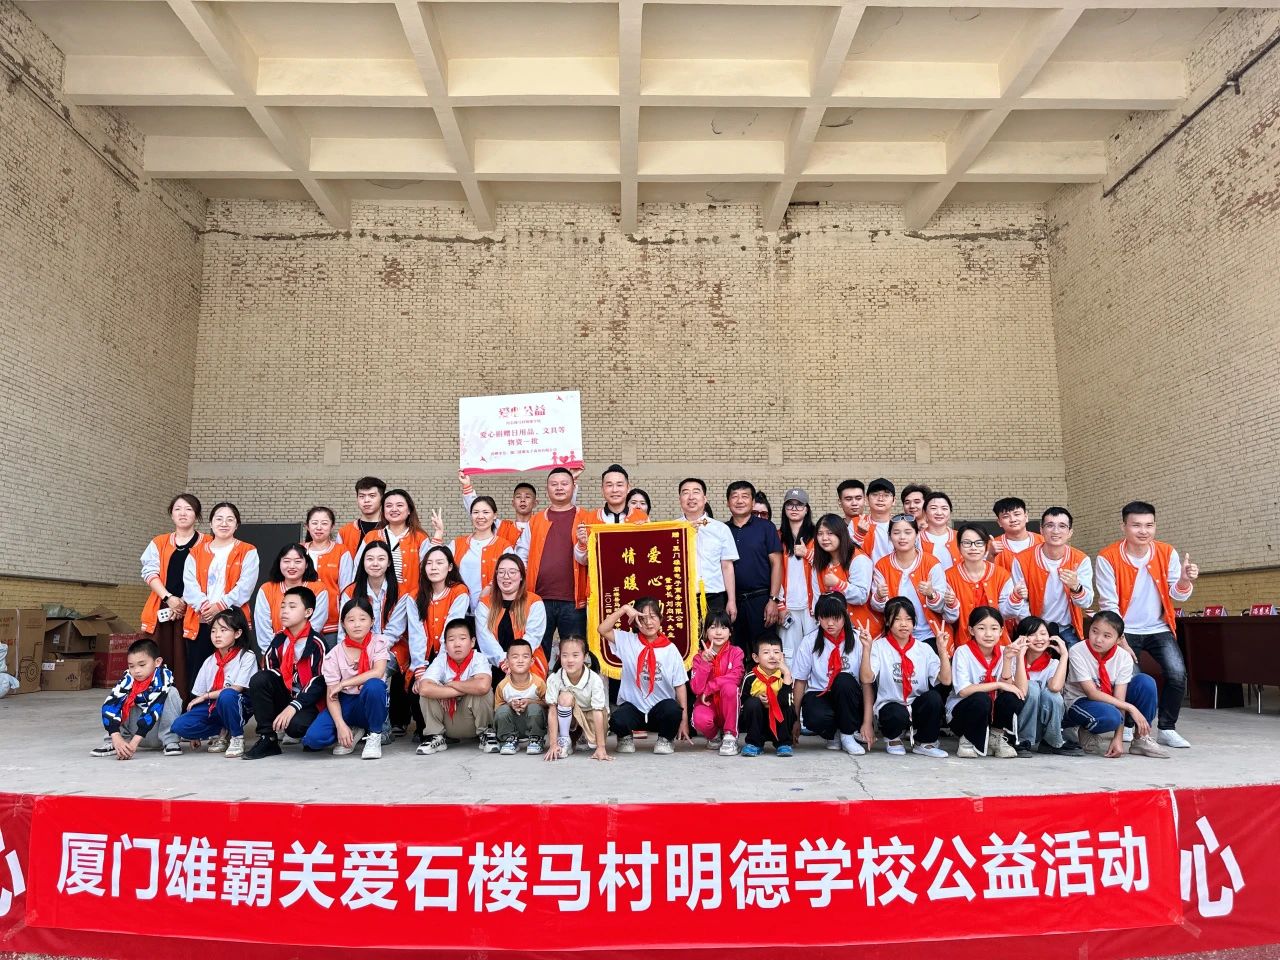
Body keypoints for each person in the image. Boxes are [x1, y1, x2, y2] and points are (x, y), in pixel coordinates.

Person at [1095, 500, 1197, 748]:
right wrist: (1120, 639)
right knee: (1132, 678)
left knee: (1177, 673)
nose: (1143, 531)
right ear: (1124, 527)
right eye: (1136, 525)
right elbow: (1109, 604)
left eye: (1149, 525)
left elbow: (1178, 594)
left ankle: (1167, 728)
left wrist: (1184, 580)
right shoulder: (1108, 557)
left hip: (1158, 628)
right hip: (1125, 629)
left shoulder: (1166, 552)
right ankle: (1129, 726)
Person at [1062, 610, 1170, 759]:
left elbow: (1120, 698)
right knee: (1111, 716)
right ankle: (1087, 729)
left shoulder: (1123, 657)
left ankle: (1141, 739)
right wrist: (1131, 708)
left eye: (1107, 636)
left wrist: (1117, 738)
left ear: (1119, 639)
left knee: (1145, 682)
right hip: (1080, 701)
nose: (1098, 639)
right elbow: (1092, 693)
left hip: (1109, 701)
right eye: (1094, 631)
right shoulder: (1078, 651)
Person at [339, 540, 414, 735]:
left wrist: (372, 652)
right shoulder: (350, 591)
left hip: (393, 648)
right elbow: (343, 628)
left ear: (389, 563)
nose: (375, 563)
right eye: (370, 558)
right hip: (355, 647)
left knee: (379, 674)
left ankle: (381, 730)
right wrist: (345, 655)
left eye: (381, 559)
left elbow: (394, 631)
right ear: (362, 562)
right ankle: (355, 722)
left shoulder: (402, 591)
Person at [860, 597, 950, 758]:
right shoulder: (879, 646)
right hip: (891, 706)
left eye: (908, 619)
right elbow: (866, 679)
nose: (904, 624)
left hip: (915, 704)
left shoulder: (924, 649)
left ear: (914, 622)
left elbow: (946, 680)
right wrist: (866, 649)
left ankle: (925, 742)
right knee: (895, 713)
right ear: (888, 621)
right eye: (897, 619)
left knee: (933, 698)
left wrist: (942, 650)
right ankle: (893, 738)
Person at [244, 586, 327, 760]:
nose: (284, 611)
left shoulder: (316, 643)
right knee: (260, 679)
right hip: (286, 696)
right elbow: (269, 672)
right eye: (282, 606)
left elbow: (319, 683)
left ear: (308, 612)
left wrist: (294, 706)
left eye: (292, 606)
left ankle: (313, 730)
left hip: (309, 703)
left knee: (295, 727)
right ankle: (268, 738)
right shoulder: (279, 639)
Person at [600, 597, 691, 754]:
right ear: (636, 622)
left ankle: (665, 739)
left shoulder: (670, 649)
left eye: (653, 617)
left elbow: (680, 684)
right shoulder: (627, 641)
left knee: (673, 710)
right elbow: (602, 629)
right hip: (634, 708)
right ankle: (625, 737)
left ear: (661, 619)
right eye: (642, 618)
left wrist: (684, 721)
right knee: (618, 718)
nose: (648, 623)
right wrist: (624, 609)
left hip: (660, 710)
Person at [181, 501, 259, 686]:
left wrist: (220, 607)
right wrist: (205, 607)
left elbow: (245, 586)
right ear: (211, 523)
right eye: (219, 519)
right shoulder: (196, 552)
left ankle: (229, 703)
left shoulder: (248, 551)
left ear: (237, 524)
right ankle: (199, 703)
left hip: (233, 621)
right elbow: (189, 585)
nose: (224, 523)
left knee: (234, 673)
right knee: (199, 673)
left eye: (230, 519)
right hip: (201, 620)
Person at [301, 597, 389, 760]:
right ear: (343, 624)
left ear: (372, 621)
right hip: (345, 702)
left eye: (362, 619)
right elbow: (332, 695)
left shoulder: (379, 642)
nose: (357, 624)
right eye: (351, 620)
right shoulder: (334, 654)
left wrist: (344, 683)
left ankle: (375, 734)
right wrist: (340, 725)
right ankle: (351, 730)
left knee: (374, 686)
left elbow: (378, 672)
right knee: (314, 739)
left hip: (368, 702)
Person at [139, 493, 208, 699]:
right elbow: (149, 573)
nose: (182, 513)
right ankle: (155, 703)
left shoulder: (208, 543)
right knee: (158, 656)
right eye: (178, 509)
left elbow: (211, 577)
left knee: (188, 660)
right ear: (171, 514)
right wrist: (169, 598)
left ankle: (188, 704)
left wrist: (185, 603)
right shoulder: (159, 542)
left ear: (196, 515)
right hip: (163, 607)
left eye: (188, 509)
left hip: (194, 610)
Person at [170, 607, 258, 759]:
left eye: (223, 630)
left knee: (227, 695)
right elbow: (198, 694)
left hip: (237, 704)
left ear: (237, 633)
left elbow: (237, 688)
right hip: (213, 706)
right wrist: (194, 733)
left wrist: (206, 696)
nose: (217, 635)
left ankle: (236, 737)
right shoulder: (210, 661)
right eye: (213, 631)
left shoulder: (246, 656)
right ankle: (221, 732)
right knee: (179, 726)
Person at [790, 593, 872, 756]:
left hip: (851, 697)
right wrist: (795, 720)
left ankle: (847, 735)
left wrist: (868, 722)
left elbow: (867, 682)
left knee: (843, 679)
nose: (830, 623)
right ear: (818, 618)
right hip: (821, 693)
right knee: (814, 715)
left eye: (836, 618)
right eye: (825, 617)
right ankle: (833, 734)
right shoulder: (810, 641)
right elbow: (800, 681)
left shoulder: (858, 639)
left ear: (845, 616)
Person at [524, 467, 595, 653]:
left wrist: (582, 544)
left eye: (564, 483)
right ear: (546, 489)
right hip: (539, 599)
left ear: (573, 486)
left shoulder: (586, 518)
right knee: (537, 651)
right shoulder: (535, 520)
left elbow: (589, 559)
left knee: (573, 652)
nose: (559, 488)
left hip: (574, 601)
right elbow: (522, 555)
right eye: (554, 484)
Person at [946, 606, 1026, 759]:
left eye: (994, 628)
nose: (988, 634)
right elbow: (963, 691)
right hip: (962, 713)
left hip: (992, 713)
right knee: (980, 698)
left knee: (1012, 696)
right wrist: (998, 684)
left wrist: (1007, 659)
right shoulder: (963, 652)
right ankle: (967, 739)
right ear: (971, 630)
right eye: (981, 628)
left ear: (1001, 631)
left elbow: (1019, 690)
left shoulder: (1005, 651)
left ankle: (995, 737)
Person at [1010, 507, 1092, 647]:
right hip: (1033, 629)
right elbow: (1020, 601)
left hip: (1068, 629)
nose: (1055, 531)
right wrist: (1035, 629)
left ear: (1070, 532)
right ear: (1041, 530)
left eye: (1062, 526)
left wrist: (1076, 587)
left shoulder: (1080, 559)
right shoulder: (1022, 560)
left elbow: (1086, 603)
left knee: (1074, 659)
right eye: (1050, 525)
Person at [431, 497, 527, 614]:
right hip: (458, 609)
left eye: (485, 512)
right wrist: (438, 533)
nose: (480, 516)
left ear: (495, 515)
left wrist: (490, 588)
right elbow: (433, 562)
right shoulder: (457, 543)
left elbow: (513, 574)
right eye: (476, 512)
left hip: (491, 609)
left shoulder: (503, 546)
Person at [414, 619, 494, 755]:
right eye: (451, 640)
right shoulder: (441, 660)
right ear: (445, 645)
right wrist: (464, 688)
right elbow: (425, 688)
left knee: (484, 692)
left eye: (462, 638)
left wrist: (451, 684)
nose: (457, 644)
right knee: (426, 694)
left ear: (472, 642)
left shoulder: (479, 658)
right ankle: (436, 736)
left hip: (471, 721)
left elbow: (482, 686)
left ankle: (486, 733)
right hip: (447, 723)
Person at [92, 638, 182, 758]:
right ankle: (117, 744)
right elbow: (109, 707)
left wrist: (134, 743)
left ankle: (171, 741)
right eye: (131, 666)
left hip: (157, 735)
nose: (136, 670)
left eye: (142, 665)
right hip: (132, 734)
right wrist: (116, 736)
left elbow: (154, 709)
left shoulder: (164, 680)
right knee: (119, 697)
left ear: (157, 662)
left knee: (171, 693)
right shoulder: (127, 680)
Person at [941, 523, 1027, 650]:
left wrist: (1016, 597)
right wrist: (951, 604)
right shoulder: (948, 576)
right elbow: (950, 618)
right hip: (964, 645)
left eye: (979, 543)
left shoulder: (1001, 574)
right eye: (967, 543)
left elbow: (1007, 614)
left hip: (998, 644)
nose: (973, 547)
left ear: (986, 546)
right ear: (959, 546)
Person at [870, 514, 947, 651]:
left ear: (917, 535)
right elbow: (879, 607)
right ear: (890, 536)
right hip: (895, 635)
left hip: (928, 634)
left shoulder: (932, 563)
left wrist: (931, 594)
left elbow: (942, 607)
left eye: (908, 532)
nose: (902, 537)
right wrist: (879, 596)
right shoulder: (882, 565)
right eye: (896, 533)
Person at [726, 481, 782, 657]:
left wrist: (773, 600)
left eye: (745, 496)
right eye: (734, 497)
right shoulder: (723, 530)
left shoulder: (766, 527)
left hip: (761, 601)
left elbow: (777, 564)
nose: (739, 501)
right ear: (727, 502)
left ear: (752, 502)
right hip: (732, 602)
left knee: (765, 651)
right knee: (735, 652)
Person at [1012, 617, 1081, 756]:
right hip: (1017, 725)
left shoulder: (1052, 663)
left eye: (1043, 634)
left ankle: (1052, 741)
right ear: (1022, 637)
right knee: (1032, 687)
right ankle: (1022, 741)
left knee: (1053, 696)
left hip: (1040, 725)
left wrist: (1064, 655)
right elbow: (1022, 689)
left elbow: (1055, 687)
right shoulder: (1012, 660)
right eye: (1032, 634)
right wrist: (1020, 657)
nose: (1039, 638)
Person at [477, 553, 548, 679]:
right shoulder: (484, 604)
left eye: (512, 572)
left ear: (521, 576)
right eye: (501, 572)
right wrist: (504, 662)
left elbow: (533, 637)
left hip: (528, 666)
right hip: (495, 666)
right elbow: (485, 639)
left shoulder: (535, 602)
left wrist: (515, 660)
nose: (506, 576)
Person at [407, 545, 471, 681]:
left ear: (450, 567)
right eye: (429, 563)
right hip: (422, 658)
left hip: (449, 655)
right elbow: (416, 634)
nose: (433, 567)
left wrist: (438, 668)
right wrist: (419, 668)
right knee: (417, 688)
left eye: (439, 563)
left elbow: (451, 629)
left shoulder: (459, 592)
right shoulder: (414, 596)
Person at [678, 478, 738, 620]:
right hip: (681, 598)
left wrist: (731, 600)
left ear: (705, 498)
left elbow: (727, 566)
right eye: (685, 493)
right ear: (680, 499)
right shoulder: (672, 528)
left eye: (696, 492)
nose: (691, 497)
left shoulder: (720, 529)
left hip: (714, 597)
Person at [543, 634, 610, 762]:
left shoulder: (594, 679)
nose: (570, 660)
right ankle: (564, 740)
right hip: (571, 718)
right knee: (565, 697)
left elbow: (597, 711)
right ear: (559, 656)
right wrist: (553, 745)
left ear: (585, 656)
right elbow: (552, 711)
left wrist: (601, 747)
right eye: (565, 655)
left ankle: (585, 737)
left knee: (598, 717)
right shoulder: (554, 678)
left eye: (575, 655)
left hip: (591, 717)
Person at [810, 513, 875, 642]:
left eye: (830, 533)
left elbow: (861, 596)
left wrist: (838, 584)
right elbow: (817, 600)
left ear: (841, 534)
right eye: (820, 534)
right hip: (832, 633)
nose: (824, 538)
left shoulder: (858, 559)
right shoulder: (819, 564)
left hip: (862, 632)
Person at [253, 543, 329, 652]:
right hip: (273, 652)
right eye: (286, 561)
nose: (292, 566)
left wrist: (296, 651)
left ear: (306, 564)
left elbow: (316, 624)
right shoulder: (266, 589)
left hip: (308, 651)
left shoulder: (319, 589)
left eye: (298, 561)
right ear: (279, 563)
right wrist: (274, 652)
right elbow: (263, 628)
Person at [689, 611, 745, 756]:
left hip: (728, 705)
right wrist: (704, 663)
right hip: (708, 704)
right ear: (705, 631)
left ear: (730, 632)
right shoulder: (698, 657)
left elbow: (736, 677)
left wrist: (710, 687)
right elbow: (696, 689)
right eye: (713, 627)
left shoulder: (736, 652)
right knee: (700, 718)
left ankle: (730, 736)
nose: (718, 632)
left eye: (724, 628)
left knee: (730, 688)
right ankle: (714, 736)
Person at [360, 488, 430, 600]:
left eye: (399, 505)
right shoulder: (371, 536)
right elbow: (358, 568)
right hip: (376, 598)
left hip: (409, 599)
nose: (394, 509)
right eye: (388, 506)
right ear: (383, 511)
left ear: (409, 510)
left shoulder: (420, 538)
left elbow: (427, 571)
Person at [304, 506, 354, 649]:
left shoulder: (341, 551)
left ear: (332, 526)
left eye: (324, 523)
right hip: (301, 622)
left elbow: (346, 590)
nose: (319, 527)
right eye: (314, 523)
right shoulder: (299, 550)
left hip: (331, 625)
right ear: (307, 526)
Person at [739, 632, 796, 757]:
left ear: (782, 656)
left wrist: (787, 674)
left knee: (788, 706)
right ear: (756, 657)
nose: (772, 656)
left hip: (780, 723)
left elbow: (787, 702)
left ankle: (783, 743)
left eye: (776, 652)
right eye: (766, 652)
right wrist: (757, 699)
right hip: (758, 723)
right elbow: (742, 704)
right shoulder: (750, 677)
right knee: (752, 703)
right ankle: (754, 744)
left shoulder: (785, 677)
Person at [777, 489, 816, 662]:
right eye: (790, 505)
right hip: (787, 606)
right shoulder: (777, 536)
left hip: (811, 606)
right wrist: (779, 605)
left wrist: (807, 553)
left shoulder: (817, 535)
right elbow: (773, 572)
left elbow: (827, 568)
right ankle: (789, 680)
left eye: (799, 505)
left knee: (813, 651)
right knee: (788, 653)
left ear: (806, 509)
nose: (794, 509)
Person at [492, 639, 548, 755]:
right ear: (507, 662)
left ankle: (536, 739)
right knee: (503, 710)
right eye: (515, 657)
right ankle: (508, 740)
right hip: (512, 724)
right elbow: (497, 710)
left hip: (533, 723)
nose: (520, 660)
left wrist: (531, 702)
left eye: (525, 656)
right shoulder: (502, 686)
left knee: (534, 708)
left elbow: (548, 703)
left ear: (532, 661)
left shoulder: (538, 683)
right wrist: (510, 705)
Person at [459, 470, 540, 542]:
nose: (522, 500)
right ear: (513, 503)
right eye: (518, 497)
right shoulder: (501, 527)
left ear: (535, 503)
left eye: (527, 497)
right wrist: (467, 485)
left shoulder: (541, 528)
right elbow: (477, 509)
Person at [990, 497, 1043, 571]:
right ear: (999, 522)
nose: (1013, 520)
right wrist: (991, 555)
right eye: (1006, 516)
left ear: (1026, 517)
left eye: (1017, 514)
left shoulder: (1043, 541)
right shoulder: (992, 546)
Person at [338, 476, 385, 554]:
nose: (366, 500)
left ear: (382, 498)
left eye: (372, 496)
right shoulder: (345, 532)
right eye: (361, 496)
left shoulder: (390, 529)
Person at [853, 478, 896, 562]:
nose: (880, 499)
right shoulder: (856, 522)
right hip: (865, 570)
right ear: (866, 499)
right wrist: (859, 535)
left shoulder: (900, 524)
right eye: (875, 494)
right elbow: (847, 553)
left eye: (886, 495)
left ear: (894, 501)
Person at [920, 491, 960, 571]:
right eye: (933, 508)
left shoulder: (960, 537)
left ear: (950, 512)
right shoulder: (916, 539)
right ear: (924, 512)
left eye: (944, 508)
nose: (939, 513)